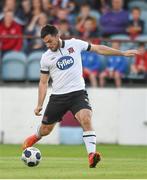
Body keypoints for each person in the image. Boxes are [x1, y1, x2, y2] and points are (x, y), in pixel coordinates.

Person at [22, 24, 139, 168]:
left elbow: (98, 48)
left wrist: (121, 53)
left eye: (50, 41)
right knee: (46, 130)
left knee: (86, 118)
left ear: (58, 36)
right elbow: (43, 82)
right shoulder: (46, 58)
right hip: (58, 96)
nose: (48, 45)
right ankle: (36, 136)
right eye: (45, 42)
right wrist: (39, 104)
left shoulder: (74, 44)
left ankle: (91, 155)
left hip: (78, 93)